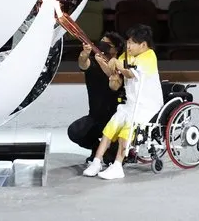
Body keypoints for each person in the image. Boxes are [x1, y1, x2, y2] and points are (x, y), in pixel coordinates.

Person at [83, 24, 164, 180]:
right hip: (130, 105)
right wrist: (103, 63)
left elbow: (129, 73)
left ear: (143, 44)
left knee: (125, 131)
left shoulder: (149, 56)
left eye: (132, 43)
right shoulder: (124, 56)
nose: (128, 46)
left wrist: (117, 63)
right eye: (128, 42)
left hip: (147, 106)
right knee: (110, 128)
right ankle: (97, 162)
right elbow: (115, 74)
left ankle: (118, 166)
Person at [67, 32, 125, 165]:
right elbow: (83, 64)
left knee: (111, 159)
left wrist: (104, 64)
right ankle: (96, 148)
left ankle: (113, 151)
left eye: (107, 44)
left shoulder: (121, 65)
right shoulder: (93, 62)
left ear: (115, 49)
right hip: (96, 117)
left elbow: (115, 84)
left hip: (116, 119)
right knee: (75, 131)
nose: (102, 46)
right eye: (102, 41)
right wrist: (84, 54)